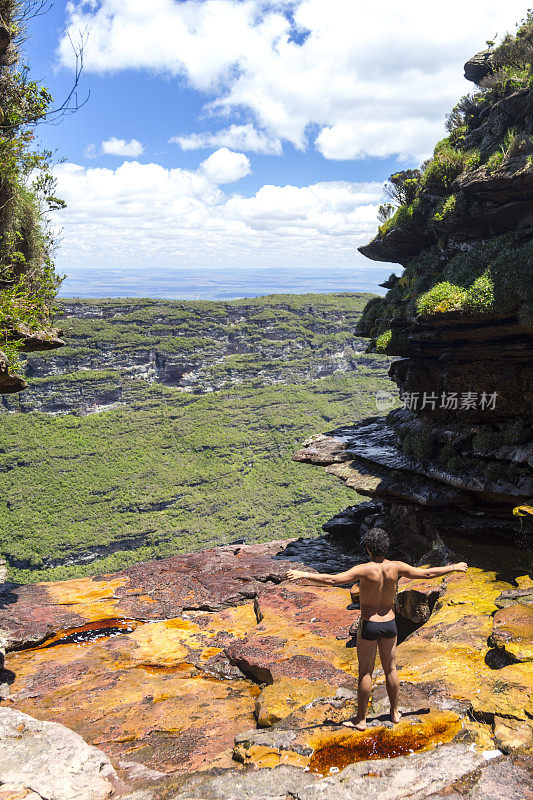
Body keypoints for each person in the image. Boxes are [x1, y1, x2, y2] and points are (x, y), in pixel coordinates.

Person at [286, 527, 467, 731]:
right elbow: (427, 573)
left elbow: (333, 580)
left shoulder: (364, 570)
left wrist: (304, 574)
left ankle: (361, 720)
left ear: (367, 549)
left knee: (365, 672)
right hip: (390, 624)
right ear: (386, 548)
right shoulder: (396, 567)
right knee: (391, 669)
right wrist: (454, 567)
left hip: (369, 625)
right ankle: (395, 713)